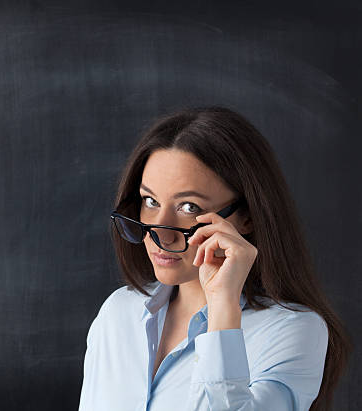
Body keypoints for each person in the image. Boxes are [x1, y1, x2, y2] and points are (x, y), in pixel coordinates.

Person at [78, 106, 351, 411]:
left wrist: (222, 307)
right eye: (150, 201)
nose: (161, 234)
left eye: (189, 207)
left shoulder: (294, 330)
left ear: (246, 217)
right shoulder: (118, 313)